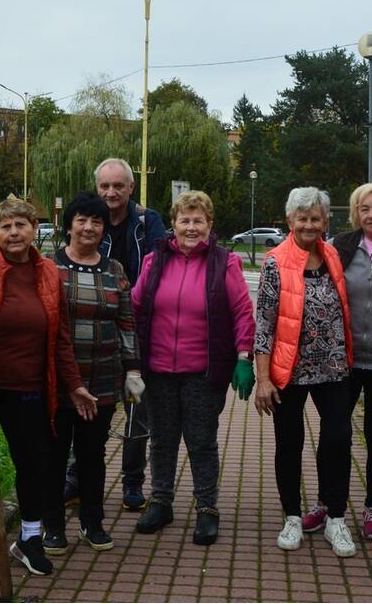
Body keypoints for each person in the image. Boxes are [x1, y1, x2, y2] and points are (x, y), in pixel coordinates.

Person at [0, 198, 98, 576]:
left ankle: (29, 538)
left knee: (33, 462)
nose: (14, 233)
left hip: (29, 385)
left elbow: (60, 338)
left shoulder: (48, 273)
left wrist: (74, 384)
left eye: (21, 225)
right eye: (5, 226)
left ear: (34, 229)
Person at [292, 183, 372, 541]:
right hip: (341, 362)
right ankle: (324, 502)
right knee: (333, 435)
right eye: (365, 209)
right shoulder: (340, 247)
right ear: (355, 213)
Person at [130, 191, 255, 546]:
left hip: (203, 369)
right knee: (162, 439)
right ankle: (161, 501)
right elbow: (136, 306)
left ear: (209, 225)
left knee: (201, 441)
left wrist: (243, 359)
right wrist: (130, 361)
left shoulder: (224, 262)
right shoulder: (155, 261)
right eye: (184, 220)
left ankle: (206, 509)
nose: (191, 227)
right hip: (157, 369)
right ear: (173, 224)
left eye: (198, 220)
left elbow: (243, 312)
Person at [253, 187, 356, 558]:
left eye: (316, 218)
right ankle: (292, 516)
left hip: (333, 366)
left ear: (326, 221)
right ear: (290, 221)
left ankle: (336, 517)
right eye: (302, 218)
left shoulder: (333, 256)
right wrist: (263, 379)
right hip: (289, 370)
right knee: (289, 443)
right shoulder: (275, 262)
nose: (309, 224)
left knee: (337, 439)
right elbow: (263, 325)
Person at [42, 192, 143, 555]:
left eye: (96, 221)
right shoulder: (47, 268)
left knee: (92, 454)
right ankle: (52, 525)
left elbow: (127, 321)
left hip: (102, 378)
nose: (89, 227)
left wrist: (133, 368)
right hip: (57, 380)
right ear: (68, 225)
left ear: (104, 229)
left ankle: (92, 521)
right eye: (82, 220)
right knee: (53, 454)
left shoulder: (115, 270)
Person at [82, 157, 167, 511]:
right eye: (105, 186)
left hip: (138, 328)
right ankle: (79, 475)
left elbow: (159, 268)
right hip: (94, 331)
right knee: (86, 408)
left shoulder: (148, 223)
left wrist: (126, 298)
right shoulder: (89, 219)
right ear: (97, 187)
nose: (111, 193)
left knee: (137, 409)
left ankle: (133, 481)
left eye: (118, 186)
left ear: (131, 188)